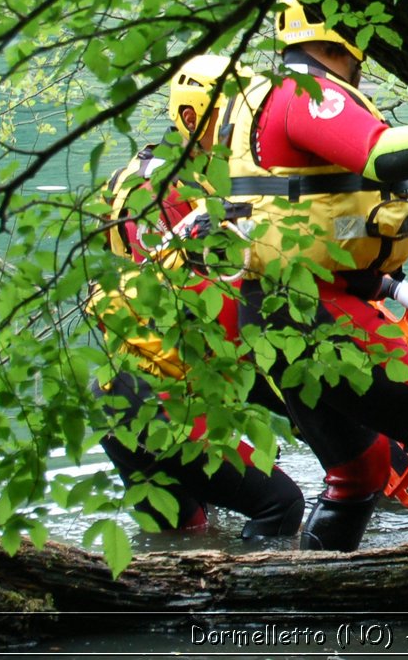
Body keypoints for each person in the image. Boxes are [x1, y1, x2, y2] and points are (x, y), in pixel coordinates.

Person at [213, 0, 408, 563]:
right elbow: (383, 156)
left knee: (358, 471)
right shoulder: (304, 93)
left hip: (271, 312)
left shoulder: (265, 99)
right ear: (338, 35)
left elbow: (368, 208)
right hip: (313, 311)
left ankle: (307, 593)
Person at [86, 56, 303, 538]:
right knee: (281, 504)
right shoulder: (163, 191)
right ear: (193, 117)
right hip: (155, 390)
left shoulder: (180, 178)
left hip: (128, 383)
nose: (247, 130)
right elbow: (203, 305)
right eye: (234, 118)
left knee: (181, 536)